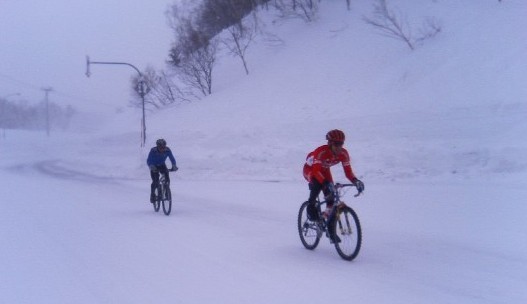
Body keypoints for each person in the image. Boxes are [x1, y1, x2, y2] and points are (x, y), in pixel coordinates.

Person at [303, 129, 365, 242]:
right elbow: (316, 172)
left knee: (331, 200)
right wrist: (325, 184)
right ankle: (311, 208)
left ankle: (330, 231)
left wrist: (356, 181)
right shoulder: (321, 152)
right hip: (311, 170)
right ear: (330, 143)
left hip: (325, 170)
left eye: (341, 144)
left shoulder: (344, 154)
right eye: (336, 144)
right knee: (317, 186)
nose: (339, 147)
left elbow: (348, 172)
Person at [147, 138, 178, 203]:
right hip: (154, 166)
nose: (162, 149)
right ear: (157, 146)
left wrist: (174, 165)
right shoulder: (153, 151)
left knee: (167, 179)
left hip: (162, 165)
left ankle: (166, 193)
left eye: (164, 147)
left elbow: (172, 158)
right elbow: (149, 160)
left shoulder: (167, 150)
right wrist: (151, 166)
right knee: (155, 181)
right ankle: (152, 195)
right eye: (161, 148)